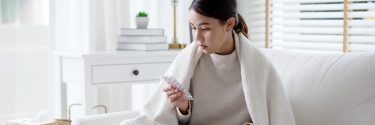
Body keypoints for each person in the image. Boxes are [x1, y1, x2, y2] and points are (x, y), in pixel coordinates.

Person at [120, 0, 296, 125]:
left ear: (228, 25)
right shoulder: (189, 58)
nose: (197, 37)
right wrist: (183, 108)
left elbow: (272, 116)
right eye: (193, 27)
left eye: (205, 28)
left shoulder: (258, 65)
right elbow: (162, 117)